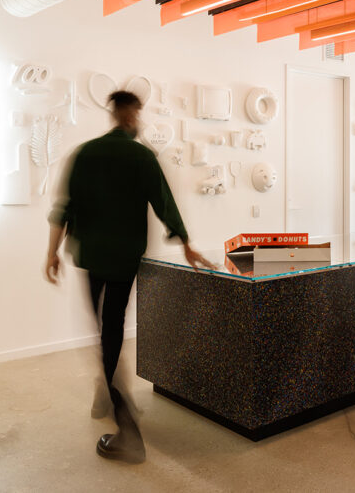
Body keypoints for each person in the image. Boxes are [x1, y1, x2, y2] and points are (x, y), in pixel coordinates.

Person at [45, 90, 214, 464]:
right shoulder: (141, 156)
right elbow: (164, 202)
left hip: (90, 257)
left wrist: (51, 253)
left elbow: (64, 208)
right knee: (113, 329)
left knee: (101, 331)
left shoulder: (85, 154)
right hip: (124, 260)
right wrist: (185, 243)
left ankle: (119, 414)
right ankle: (115, 407)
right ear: (130, 115)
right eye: (138, 114)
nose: (139, 120)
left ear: (112, 114)